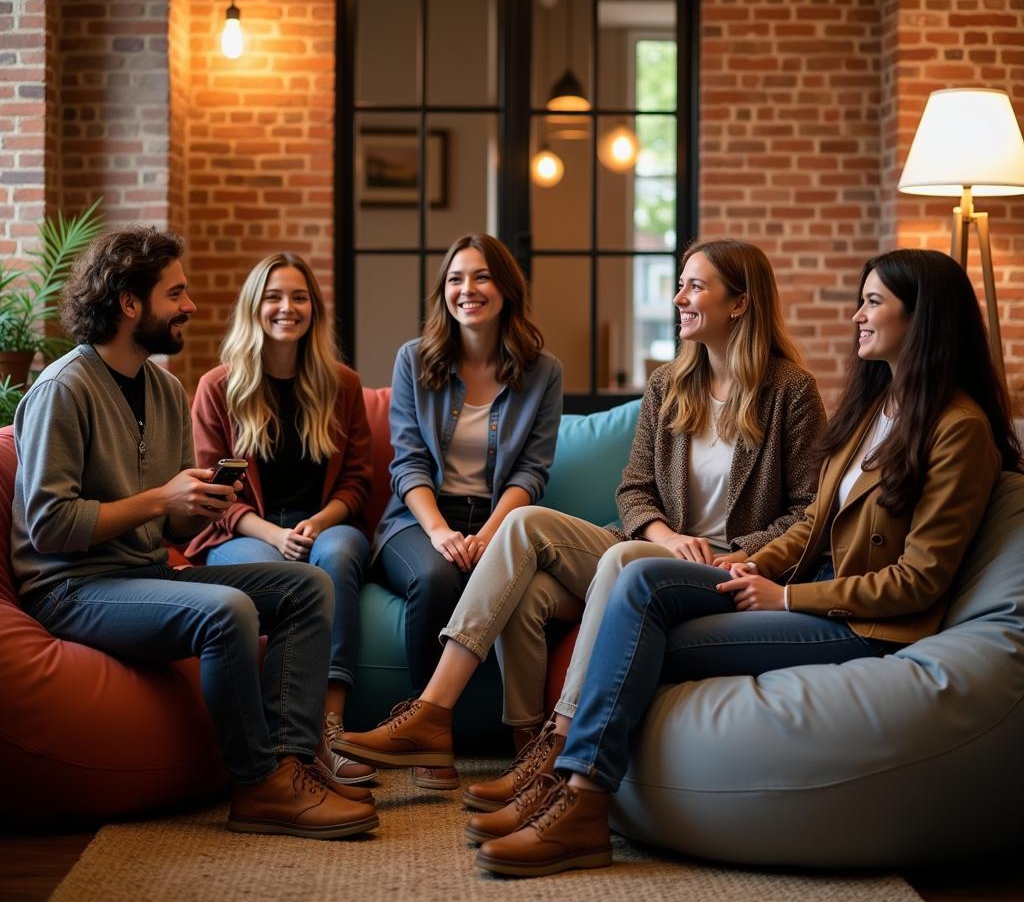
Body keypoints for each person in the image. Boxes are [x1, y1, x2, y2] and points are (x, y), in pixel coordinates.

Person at [473, 247, 1022, 877]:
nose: (856, 317)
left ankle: (579, 804)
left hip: (867, 627)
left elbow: (920, 580)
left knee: (635, 624)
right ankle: (565, 786)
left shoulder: (957, 430)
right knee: (642, 573)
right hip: (811, 590)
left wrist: (784, 597)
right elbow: (816, 521)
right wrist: (747, 565)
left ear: (922, 319)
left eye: (872, 302)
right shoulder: (880, 409)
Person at [337, 240, 827, 812]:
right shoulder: (670, 383)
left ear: (740, 303)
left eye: (696, 286)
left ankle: (559, 746)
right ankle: (487, 734)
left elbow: (810, 510)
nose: (679, 298)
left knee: (617, 562)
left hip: (721, 567)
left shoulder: (791, 391)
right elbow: (635, 488)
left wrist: (738, 554)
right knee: (523, 536)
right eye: (682, 285)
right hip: (657, 547)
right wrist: (665, 536)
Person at [10, 227, 377, 840]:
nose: (191, 307)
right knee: (227, 610)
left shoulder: (163, 387)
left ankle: (291, 763)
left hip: (144, 573)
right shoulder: (62, 389)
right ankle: (257, 785)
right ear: (130, 303)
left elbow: (173, 524)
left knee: (309, 585)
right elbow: (50, 527)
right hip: (72, 587)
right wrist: (162, 497)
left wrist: (202, 504)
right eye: (176, 293)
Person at [371, 233, 563, 790]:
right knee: (434, 576)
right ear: (443, 291)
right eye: (456, 279)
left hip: (500, 518)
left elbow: (532, 472)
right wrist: (439, 532)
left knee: (517, 587)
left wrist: (492, 534)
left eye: (480, 277)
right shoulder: (415, 359)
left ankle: (524, 736)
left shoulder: (543, 370)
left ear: (505, 287)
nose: (467, 290)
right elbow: (407, 463)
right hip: (418, 517)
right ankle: (431, 739)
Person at [188, 253, 376, 786]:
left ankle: (329, 727)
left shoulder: (341, 384)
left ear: (314, 309)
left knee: (337, 554)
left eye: (298, 297)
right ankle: (275, 746)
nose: (286, 308)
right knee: (266, 571)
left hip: (324, 522)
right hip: (244, 527)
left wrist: (318, 523)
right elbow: (212, 493)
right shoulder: (217, 387)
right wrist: (273, 534)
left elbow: (357, 482)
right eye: (273, 297)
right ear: (254, 306)